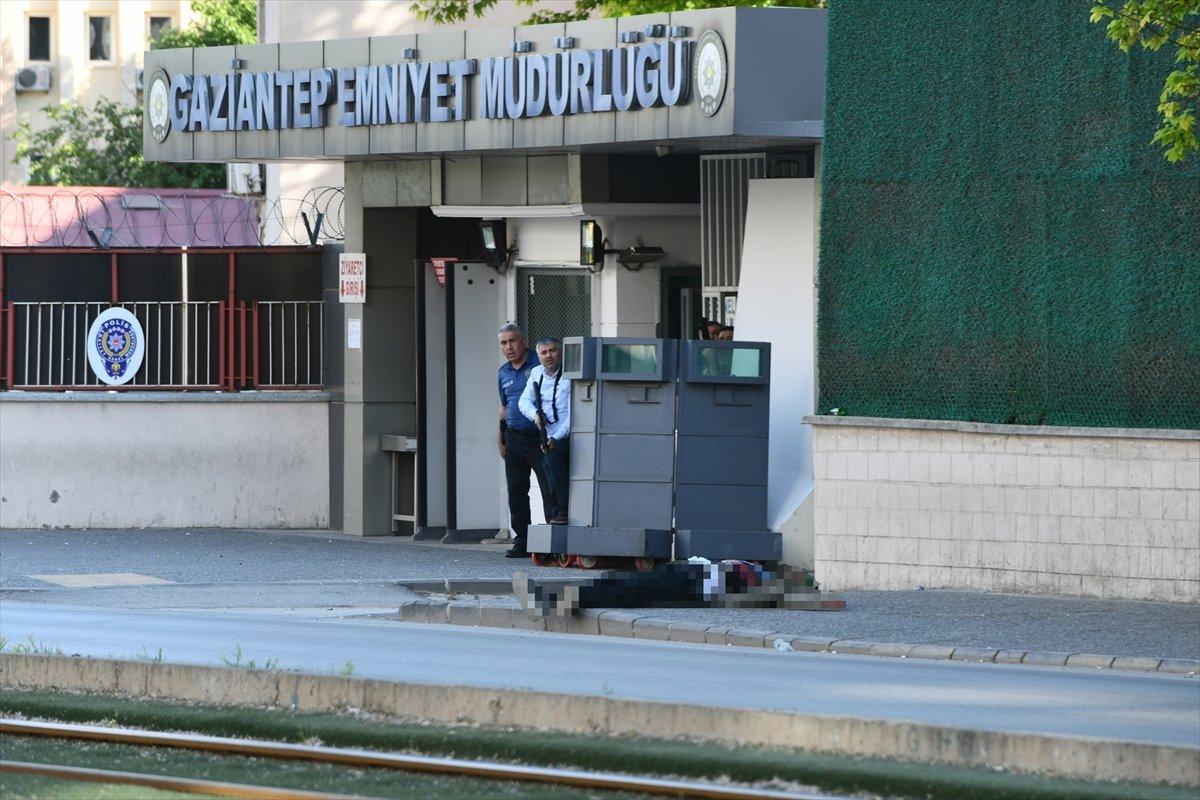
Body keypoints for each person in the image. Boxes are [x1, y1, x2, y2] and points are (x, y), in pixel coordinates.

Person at [497, 323, 551, 558]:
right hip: (514, 437)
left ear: (523, 341)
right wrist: (500, 437)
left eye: (513, 341)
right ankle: (523, 540)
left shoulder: (538, 364)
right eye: (503, 343)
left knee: (550, 489)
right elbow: (504, 407)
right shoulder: (503, 372)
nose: (509, 347)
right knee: (516, 490)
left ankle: (552, 540)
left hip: (540, 437)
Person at [519, 337, 571, 524]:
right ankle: (556, 513)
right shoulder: (536, 373)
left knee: (553, 462)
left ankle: (564, 511)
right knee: (547, 469)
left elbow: (575, 415)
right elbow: (523, 401)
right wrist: (535, 414)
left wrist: (556, 437)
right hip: (546, 435)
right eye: (544, 352)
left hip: (567, 434)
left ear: (561, 352)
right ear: (538, 355)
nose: (548, 356)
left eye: (552, 351)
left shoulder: (570, 374)